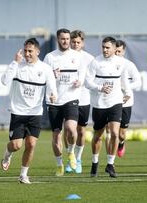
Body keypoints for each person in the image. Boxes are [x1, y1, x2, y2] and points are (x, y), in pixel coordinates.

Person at [0, 38, 57, 184]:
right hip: (18, 112)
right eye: (25, 50)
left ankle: (23, 174)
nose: (27, 54)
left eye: (30, 51)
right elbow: (5, 81)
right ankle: (7, 155)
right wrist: (14, 62)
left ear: (37, 51)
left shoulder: (45, 69)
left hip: (35, 113)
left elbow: (51, 86)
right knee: (16, 146)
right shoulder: (17, 66)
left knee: (31, 144)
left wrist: (53, 94)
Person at [85, 36, 131, 178]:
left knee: (115, 133)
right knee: (98, 135)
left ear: (114, 48)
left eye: (107, 47)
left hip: (115, 102)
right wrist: (100, 88)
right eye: (103, 47)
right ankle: (95, 162)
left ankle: (110, 165)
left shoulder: (121, 62)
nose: (105, 50)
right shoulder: (95, 62)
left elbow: (124, 79)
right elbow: (87, 82)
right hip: (99, 104)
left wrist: (127, 92)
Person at [44, 28, 85, 176]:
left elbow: (83, 73)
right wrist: (52, 76)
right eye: (63, 39)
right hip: (54, 100)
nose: (66, 41)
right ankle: (59, 164)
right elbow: (42, 78)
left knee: (71, 129)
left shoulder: (76, 56)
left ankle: (71, 153)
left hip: (71, 98)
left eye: (67, 39)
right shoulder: (50, 57)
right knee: (56, 134)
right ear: (57, 39)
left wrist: (80, 81)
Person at [64, 30, 94, 174]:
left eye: (78, 42)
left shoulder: (89, 59)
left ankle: (79, 158)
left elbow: (93, 79)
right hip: (67, 99)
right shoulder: (64, 56)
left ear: (83, 43)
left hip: (83, 99)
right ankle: (70, 158)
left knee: (81, 131)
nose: (75, 44)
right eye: (73, 42)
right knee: (68, 130)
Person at [108, 40, 141, 158]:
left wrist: (126, 87)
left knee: (121, 134)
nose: (116, 54)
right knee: (111, 132)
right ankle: (110, 160)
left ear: (124, 51)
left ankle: (121, 143)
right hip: (110, 102)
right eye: (115, 51)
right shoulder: (107, 64)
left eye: (119, 51)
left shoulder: (129, 65)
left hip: (125, 103)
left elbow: (138, 82)